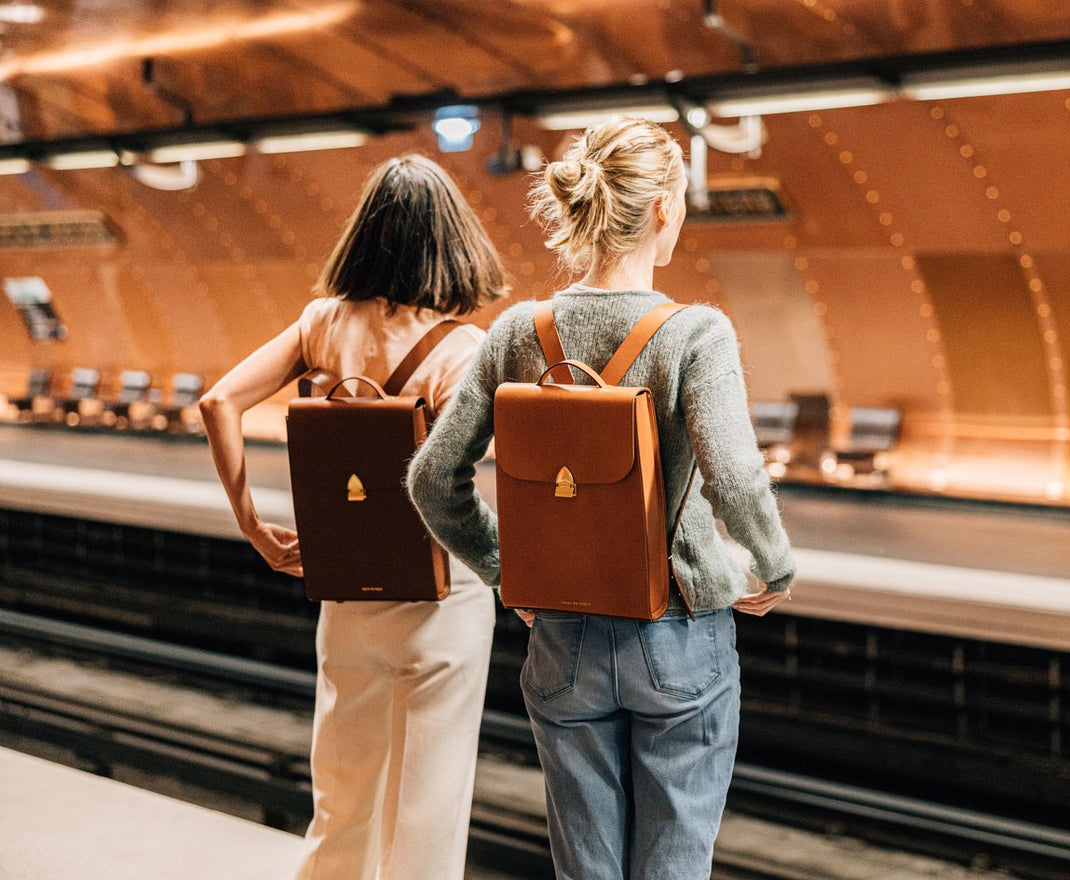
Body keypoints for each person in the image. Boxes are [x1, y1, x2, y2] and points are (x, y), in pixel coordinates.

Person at [408, 117, 795, 880]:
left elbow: (431, 478)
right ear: (662, 211)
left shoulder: (519, 330)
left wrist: (504, 569)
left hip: (564, 640)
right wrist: (771, 567)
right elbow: (736, 477)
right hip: (680, 633)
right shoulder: (696, 334)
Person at [199, 153, 507, 880]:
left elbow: (220, 403)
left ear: (365, 235)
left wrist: (251, 523)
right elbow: (452, 486)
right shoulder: (466, 352)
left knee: (343, 797)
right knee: (425, 811)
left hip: (345, 586)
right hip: (440, 596)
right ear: (452, 241)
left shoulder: (321, 325)